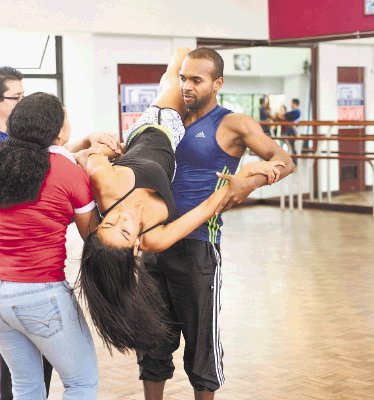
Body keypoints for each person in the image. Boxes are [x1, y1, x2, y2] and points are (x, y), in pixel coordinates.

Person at [75, 48, 285, 356]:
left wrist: (104, 150)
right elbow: (203, 210)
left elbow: (87, 157)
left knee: (173, 74)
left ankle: (183, 56)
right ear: (136, 246)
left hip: (155, 127)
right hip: (166, 150)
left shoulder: (108, 185)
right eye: (122, 231)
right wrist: (248, 177)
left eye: (108, 222)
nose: (121, 220)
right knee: (178, 84)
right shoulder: (154, 239)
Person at [137, 48, 295, 400]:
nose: (187, 86)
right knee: (151, 341)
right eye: (183, 78)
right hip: (152, 243)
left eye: (196, 79)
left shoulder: (232, 123)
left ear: (217, 83)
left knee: (201, 347)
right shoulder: (169, 119)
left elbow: (284, 160)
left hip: (197, 247)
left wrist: (248, 183)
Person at [0, 92, 99, 399]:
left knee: (26, 385)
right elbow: (92, 235)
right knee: (81, 383)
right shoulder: (66, 170)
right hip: (41, 293)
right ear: (57, 130)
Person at [0, 68, 54, 400]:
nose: (21, 105)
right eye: (16, 98)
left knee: (33, 368)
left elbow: (45, 161)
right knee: (12, 372)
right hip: (11, 276)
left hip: (28, 275)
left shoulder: (18, 144)